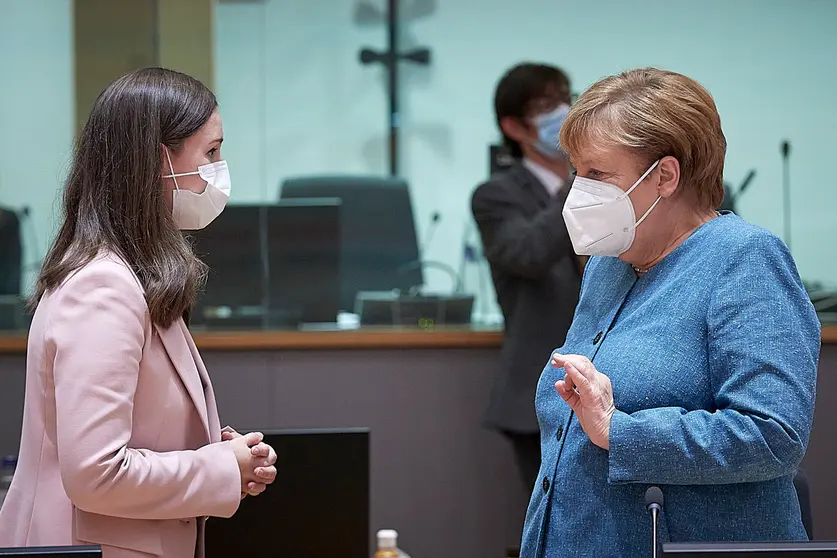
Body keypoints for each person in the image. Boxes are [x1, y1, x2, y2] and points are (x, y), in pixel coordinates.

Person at [521, 67, 820, 556]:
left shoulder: (745, 259)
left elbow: (773, 434)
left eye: (597, 173)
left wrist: (620, 431)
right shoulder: (607, 267)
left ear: (665, 176)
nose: (579, 192)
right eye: (577, 172)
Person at [0, 68, 278, 558]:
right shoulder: (103, 286)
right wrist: (217, 469)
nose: (220, 168)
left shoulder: (134, 274)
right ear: (158, 160)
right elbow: (96, 473)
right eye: (210, 152)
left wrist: (228, 458)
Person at [471, 63, 584, 493]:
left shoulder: (608, 191)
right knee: (554, 525)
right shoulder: (496, 195)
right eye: (544, 105)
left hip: (615, 386)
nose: (560, 110)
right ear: (514, 125)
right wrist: (583, 180)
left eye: (564, 98)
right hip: (539, 389)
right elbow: (528, 254)